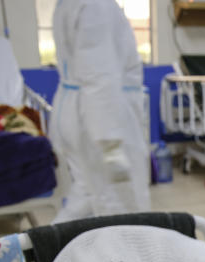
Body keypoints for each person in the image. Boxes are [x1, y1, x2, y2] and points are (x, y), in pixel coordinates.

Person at [51, 0, 150, 223]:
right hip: (102, 116)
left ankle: (43, 252)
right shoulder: (97, 5)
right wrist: (111, 145)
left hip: (81, 110)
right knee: (121, 205)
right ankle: (46, 251)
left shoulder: (71, 4)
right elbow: (99, 75)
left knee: (88, 196)